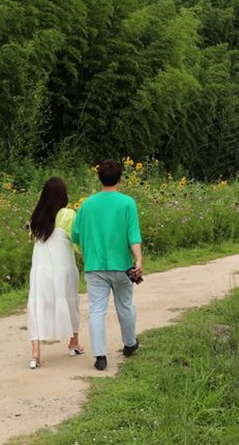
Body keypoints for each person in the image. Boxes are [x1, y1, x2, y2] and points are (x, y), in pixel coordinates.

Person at [71, 159, 143, 371]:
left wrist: (86, 247)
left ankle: (100, 356)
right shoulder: (127, 203)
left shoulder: (87, 204)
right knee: (126, 305)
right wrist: (138, 259)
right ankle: (130, 343)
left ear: (99, 177)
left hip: (95, 265)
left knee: (96, 311)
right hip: (122, 265)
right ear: (120, 178)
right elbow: (133, 235)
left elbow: (75, 234)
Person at [26, 176, 83, 369]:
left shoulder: (36, 217)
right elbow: (76, 242)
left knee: (38, 305)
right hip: (63, 267)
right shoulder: (67, 215)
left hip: (40, 269)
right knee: (70, 301)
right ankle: (73, 342)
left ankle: (35, 353)